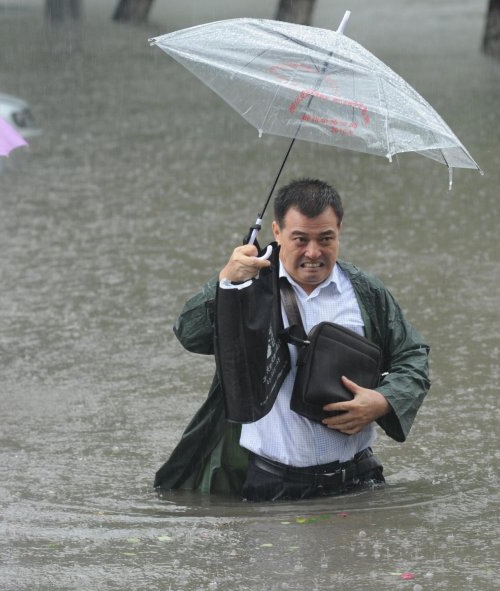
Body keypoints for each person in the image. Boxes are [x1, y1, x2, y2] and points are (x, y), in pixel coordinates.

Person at [154, 178, 430, 501]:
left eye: (326, 238)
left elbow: (413, 356)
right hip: (274, 485)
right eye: (300, 239)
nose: (313, 252)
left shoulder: (366, 292)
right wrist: (224, 282)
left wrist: (381, 402)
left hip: (358, 482)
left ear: (340, 229)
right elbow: (188, 332)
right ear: (276, 231)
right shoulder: (247, 290)